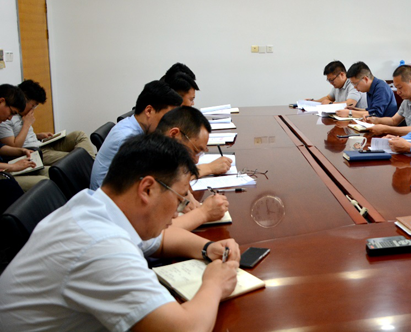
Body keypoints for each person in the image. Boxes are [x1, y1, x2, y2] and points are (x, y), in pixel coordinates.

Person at [0, 133, 241, 332]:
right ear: (147, 189)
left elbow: (159, 240)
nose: (178, 213)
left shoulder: (93, 204)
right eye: (179, 199)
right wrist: (215, 284)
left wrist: (206, 248)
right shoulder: (101, 246)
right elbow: (185, 329)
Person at [90, 80, 183, 189]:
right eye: (166, 118)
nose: (169, 124)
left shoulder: (135, 125)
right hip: (108, 196)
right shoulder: (128, 137)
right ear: (149, 111)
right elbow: (154, 177)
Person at [154, 106, 230, 230]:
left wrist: (183, 192)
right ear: (174, 135)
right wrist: (203, 213)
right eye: (195, 150)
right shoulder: (146, 165)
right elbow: (157, 233)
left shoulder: (161, 157)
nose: (196, 160)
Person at [0, 80, 96, 165]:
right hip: (34, 151)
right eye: (33, 105)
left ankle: (94, 164)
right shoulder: (6, 118)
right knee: (75, 159)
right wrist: (27, 124)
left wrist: (38, 135)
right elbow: (14, 147)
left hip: (41, 144)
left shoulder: (22, 115)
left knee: (79, 135)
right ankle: (93, 167)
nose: (33, 109)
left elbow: (22, 136)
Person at [365, 65, 411, 136]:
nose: (398, 92)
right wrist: (375, 120)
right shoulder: (407, 100)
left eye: (400, 87)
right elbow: (394, 121)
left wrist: (386, 129)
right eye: (396, 88)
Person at [0, 84, 39, 177]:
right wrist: (13, 166)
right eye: (11, 112)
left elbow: (0, 147)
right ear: (1, 101)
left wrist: (21, 151)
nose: (10, 118)